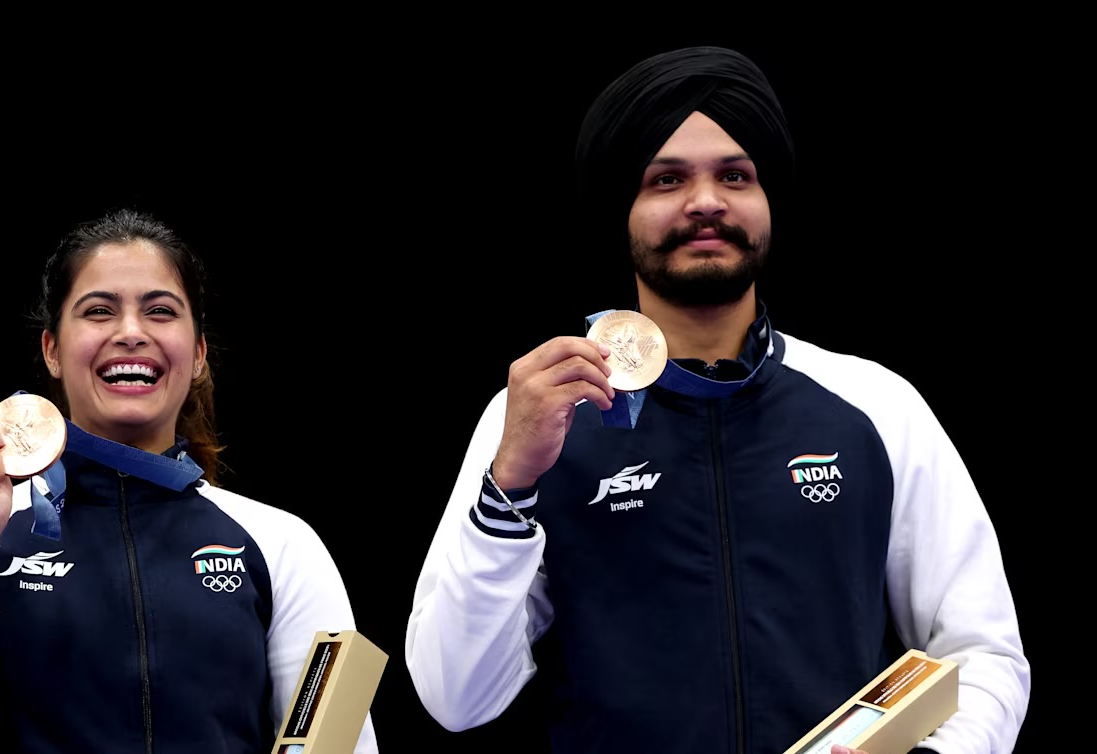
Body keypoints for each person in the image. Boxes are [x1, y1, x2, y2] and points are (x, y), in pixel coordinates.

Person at [404, 45, 1029, 754]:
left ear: (768, 202)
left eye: (734, 175)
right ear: (624, 210)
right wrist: (509, 486)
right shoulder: (536, 417)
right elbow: (456, 699)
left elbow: (982, 653)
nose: (706, 201)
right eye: (667, 179)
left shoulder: (877, 405)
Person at [0, 208, 378, 753]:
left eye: (161, 311)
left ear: (198, 353)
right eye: (98, 311)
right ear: (52, 349)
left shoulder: (287, 546)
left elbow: (337, 748)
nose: (131, 333)